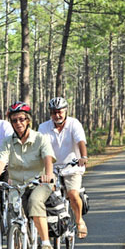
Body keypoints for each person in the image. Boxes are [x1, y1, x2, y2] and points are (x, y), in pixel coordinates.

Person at [0, 102, 56, 249]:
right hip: (17, 185)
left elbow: (48, 159)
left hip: (40, 182)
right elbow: (1, 162)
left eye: (22, 119)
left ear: (28, 120)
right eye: (15, 120)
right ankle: (19, 247)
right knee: (14, 213)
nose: (18, 123)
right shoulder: (7, 141)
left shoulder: (40, 138)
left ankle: (45, 245)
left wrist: (48, 175)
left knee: (35, 202)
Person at [38, 97, 89, 239]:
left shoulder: (74, 124)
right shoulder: (43, 127)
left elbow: (80, 141)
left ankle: (79, 221)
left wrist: (83, 157)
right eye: (54, 113)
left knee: (73, 194)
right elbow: (40, 146)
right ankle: (56, 222)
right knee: (51, 195)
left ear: (65, 111)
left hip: (72, 166)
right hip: (52, 168)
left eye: (59, 112)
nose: (57, 115)